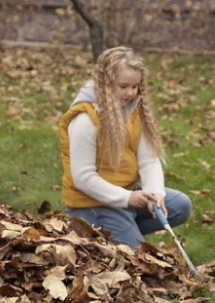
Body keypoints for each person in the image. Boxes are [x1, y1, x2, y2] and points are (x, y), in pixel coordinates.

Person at [59, 47, 193, 248]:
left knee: (180, 206)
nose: (130, 93)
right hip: (92, 206)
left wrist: (155, 193)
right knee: (137, 260)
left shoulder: (133, 111)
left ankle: (123, 229)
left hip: (126, 195)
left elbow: (148, 160)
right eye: (123, 86)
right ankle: (106, 231)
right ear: (105, 83)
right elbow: (83, 178)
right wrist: (128, 198)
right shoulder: (85, 119)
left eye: (135, 86)